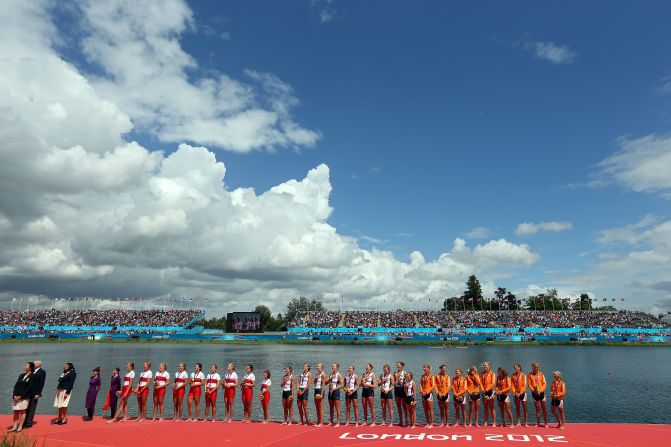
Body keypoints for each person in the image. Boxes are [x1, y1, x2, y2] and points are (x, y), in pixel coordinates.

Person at [9, 362, 34, 433]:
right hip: (16, 396)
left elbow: (29, 388)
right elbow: (16, 386)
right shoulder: (21, 375)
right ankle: (14, 426)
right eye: (25, 365)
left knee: (22, 411)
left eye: (26, 365)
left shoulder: (32, 376)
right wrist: (14, 395)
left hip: (24, 397)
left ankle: (20, 426)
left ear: (30, 367)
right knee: (15, 412)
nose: (25, 366)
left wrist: (21, 396)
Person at [23, 359, 44, 429]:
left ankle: (29, 423)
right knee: (26, 408)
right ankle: (24, 422)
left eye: (34, 364)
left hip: (35, 393)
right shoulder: (31, 371)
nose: (33, 364)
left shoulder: (42, 372)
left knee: (32, 408)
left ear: (38, 364)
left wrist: (38, 393)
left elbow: (41, 383)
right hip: (27, 393)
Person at [528, 362, 548, 427]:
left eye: (538, 367)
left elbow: (544, 383)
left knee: (544, 409)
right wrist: (533, 390)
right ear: (533, 367)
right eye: (536, 367)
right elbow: (529, 384)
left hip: (541, 393)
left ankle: (545, 423)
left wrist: (541, 390)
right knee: (537, 409)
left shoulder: (541, 374)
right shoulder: (530, 375)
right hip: (534, 393)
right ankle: (538, 423)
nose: (537, 368)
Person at [480, 362, 496, 427]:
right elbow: (480, 382)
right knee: (485, 407)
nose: (484, 367)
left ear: (489, 366)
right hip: (484, 392)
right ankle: (486, 422)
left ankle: (494, 422)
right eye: (484, 366)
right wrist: (482, 390)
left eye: (486, 366)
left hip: (490, 391)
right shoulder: (482, 373)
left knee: (492, 407)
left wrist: (486, 389)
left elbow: (493, 383)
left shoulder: (492, 373)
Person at [419, 364, 435, 428]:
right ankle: (427, 423)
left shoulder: (431, 376)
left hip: (429, 394)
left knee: (430, 409)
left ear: (429, 369)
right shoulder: (423, 376)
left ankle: (431, 424)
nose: (424, 369)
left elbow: (433, 386)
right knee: (425, 409)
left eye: (425, 368)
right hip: (423, 394)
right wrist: (421, 391)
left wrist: (427, 392)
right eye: (423, 368)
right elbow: (420, 384)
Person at [394, 361, 408, 427]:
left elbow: (404, 384)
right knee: (398, 406)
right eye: (397, 366)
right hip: (397, 390)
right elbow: (393, 382)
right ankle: (401, 421)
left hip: (402, 389)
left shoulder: (405, 373)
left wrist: (398, 379)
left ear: (402, 366)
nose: (397, 367)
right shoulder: (395, 373)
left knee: (404, 406)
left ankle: (406, 421)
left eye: (399, 366)